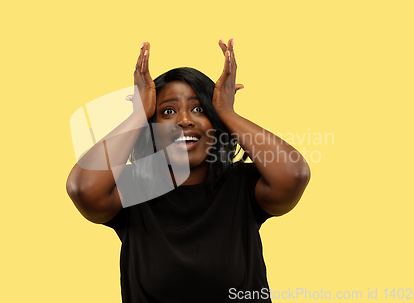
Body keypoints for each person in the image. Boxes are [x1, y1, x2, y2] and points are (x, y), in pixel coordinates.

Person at [66, 39, 311, 302]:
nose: (184, 120)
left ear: (215, 122)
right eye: (168, 111)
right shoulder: (132, 187)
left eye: (199, 109)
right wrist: (137, 115)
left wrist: (227, 112)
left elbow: (294, 174)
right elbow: (83, 189)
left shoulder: (243, 184)